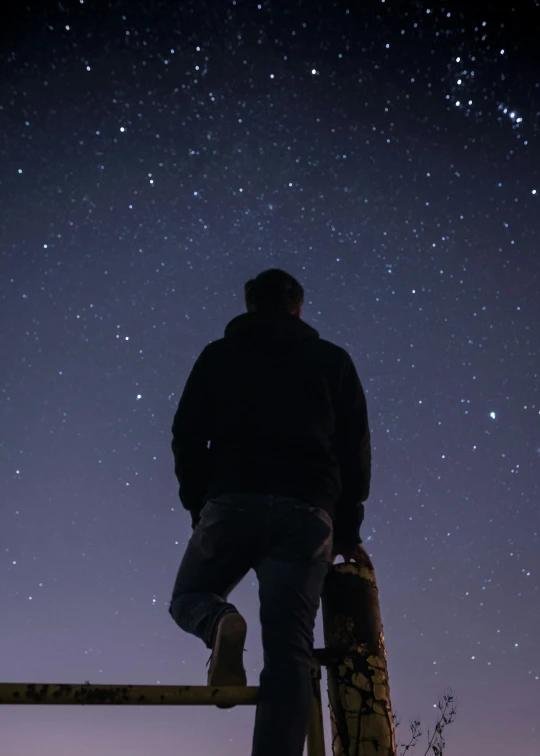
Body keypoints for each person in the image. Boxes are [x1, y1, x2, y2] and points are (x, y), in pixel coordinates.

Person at [168, 268, 372, 756]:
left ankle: (218, 622)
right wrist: (348, 527)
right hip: (307, 514)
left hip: (232, 499)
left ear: (250, 305)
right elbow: (354, 448)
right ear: (298, 306)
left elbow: (186, 434)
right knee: (289, 653)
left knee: (191, 596)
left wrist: (200, 503)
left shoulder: (219, 356)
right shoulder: (332, 361)